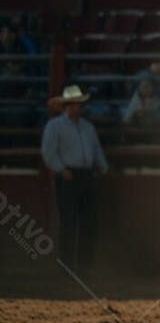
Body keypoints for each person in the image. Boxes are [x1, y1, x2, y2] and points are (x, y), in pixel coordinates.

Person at [41, 85, 109, 276]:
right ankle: (68, 266)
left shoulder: (87, 127)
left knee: (88, 223)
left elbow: (96, 150)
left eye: (79, 105)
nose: (77, 108)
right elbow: (48, 153)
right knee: (69, 223)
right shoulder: (55, 126)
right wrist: (61, 170)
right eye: (73, 104)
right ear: (66, 106)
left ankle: (84, 266)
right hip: (69, 175)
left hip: (85, 175)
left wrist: (103, 167)